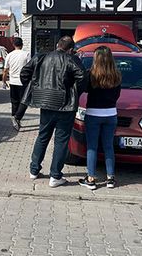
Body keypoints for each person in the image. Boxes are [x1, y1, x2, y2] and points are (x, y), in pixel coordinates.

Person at [20, 36, 85, 188]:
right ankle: (55, 176)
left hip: (46, 102)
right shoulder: (71, 59)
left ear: (57, 45)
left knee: (43, 136)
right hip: (65, 105)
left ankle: (34, 170)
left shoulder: (41, 57)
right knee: (61, 141)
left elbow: (24, 73)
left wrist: (36, 87)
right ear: (70, 49)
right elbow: (82, 77)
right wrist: (73, 93)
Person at [78, 46, 122, 190]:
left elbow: (83, 88)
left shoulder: (91, 74)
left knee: (92, 147)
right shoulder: (117, 75)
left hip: (93, 113)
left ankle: (91, 179)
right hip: (110, 113)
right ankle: (110, 178)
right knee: (108, 146)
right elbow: (117, 95)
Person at [2, 38, 31, 131]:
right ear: (22, 45)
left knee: (14, 101)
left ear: (13, 45)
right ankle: (17, 118)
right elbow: (29, 68)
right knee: (24, 101)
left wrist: (4, 81)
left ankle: (15, 119)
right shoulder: (26, 54)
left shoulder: (9, 55)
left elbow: (5, 69)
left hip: (13, 81)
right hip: (23, 81)